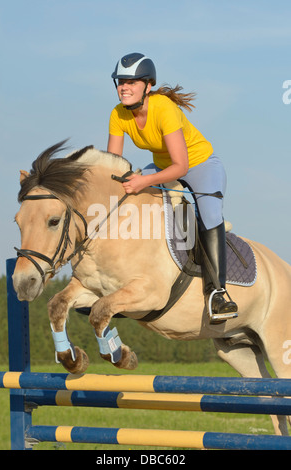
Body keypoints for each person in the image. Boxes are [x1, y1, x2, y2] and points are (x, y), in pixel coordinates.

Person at [108, 52, 238, 322]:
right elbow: (114, 165)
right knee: (125, 195)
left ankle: (218, 293)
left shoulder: (164, 108)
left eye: (132, 82)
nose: (124, 87)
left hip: (200, 165)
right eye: (121, 81)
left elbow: (180, 167)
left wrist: (143, 180)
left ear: (148, 86)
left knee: (210, 216)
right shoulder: (117, 114)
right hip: (164, 167)